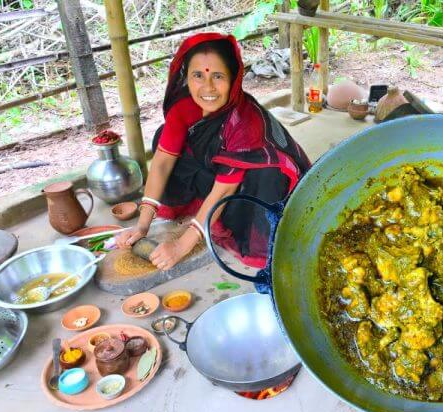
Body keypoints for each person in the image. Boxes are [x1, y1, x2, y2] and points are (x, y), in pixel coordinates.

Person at [116, 33, 311, 270]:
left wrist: (181, 245)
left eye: (218, 76)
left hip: (259, 181)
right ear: (186, 78)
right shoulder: (183, 108)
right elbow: (162, 163)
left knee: (267, 174)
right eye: (198, 75)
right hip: (221, 170)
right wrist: (142, 225)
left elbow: (224, 188)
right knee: (163, 137)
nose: (208, 87)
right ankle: (202, 211)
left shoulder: (245, 122)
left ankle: (239, 223)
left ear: (233, 79)